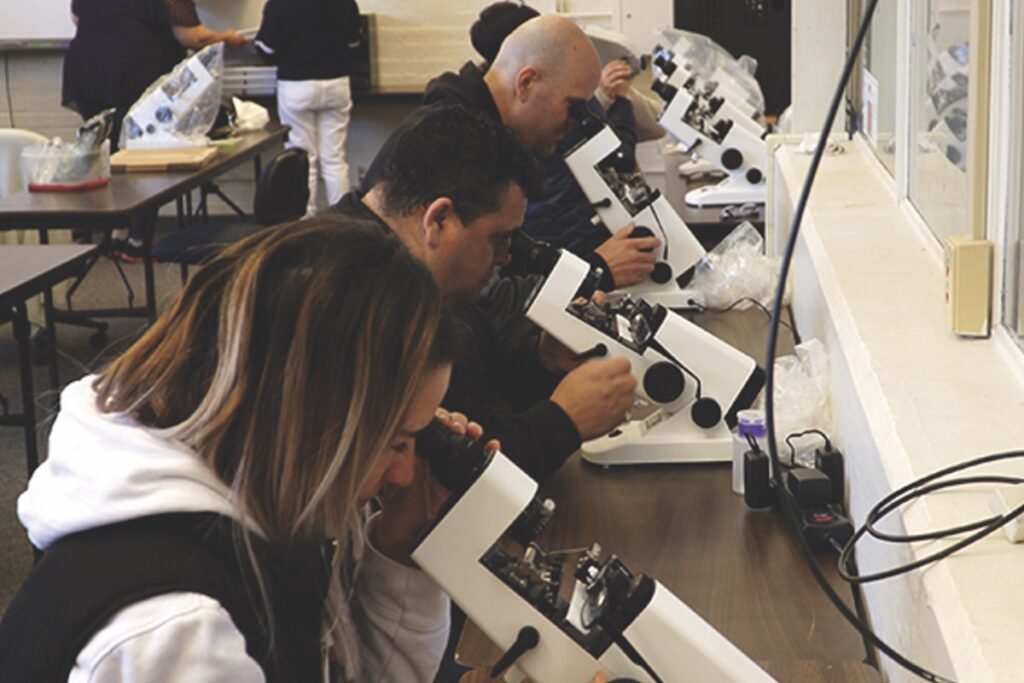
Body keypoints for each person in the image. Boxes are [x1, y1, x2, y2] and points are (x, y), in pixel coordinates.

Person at [0, 219, 473, 681]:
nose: (406, 473)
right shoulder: (176, 635)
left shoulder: (258, 494)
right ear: (309, 420)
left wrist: (398, 549)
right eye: (395, 442)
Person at [330, 104, 636, 482]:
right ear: (439, 220)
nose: (507, 257)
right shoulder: (355, 300)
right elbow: (435, 476)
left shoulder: (423, 279)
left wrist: (542, 360)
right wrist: (562, 422)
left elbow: (474, 400)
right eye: (500, 238)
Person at [62, 0, 247, 261]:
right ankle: (137, 240)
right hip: (135, 70)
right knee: (144, 156)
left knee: (110, 154)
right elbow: (192, 36)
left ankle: (117, 232)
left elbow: (77, 18)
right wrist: (226, 37)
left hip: (88, 72)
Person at [255, 0, 363, 215]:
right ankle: (342, 220)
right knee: (335, 158)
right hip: (337, 83)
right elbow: (355, 40)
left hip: (297, 86)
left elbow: (267, 49)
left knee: (303, 159)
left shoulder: (279, 4)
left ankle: (305, 220)